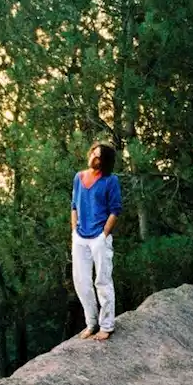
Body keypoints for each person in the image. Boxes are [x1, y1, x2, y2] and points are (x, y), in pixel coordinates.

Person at [70, 142, 123, 341]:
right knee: (81, 282)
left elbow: (115, 210)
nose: (93, 157)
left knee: (102, 281)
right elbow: (74, 205)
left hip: (99, 238)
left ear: (105, 161)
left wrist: (103, 234)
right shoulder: (79, 177)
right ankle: (91, 323)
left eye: (99, 156)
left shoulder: (111, 181)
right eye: (93, 152)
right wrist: (74, 231)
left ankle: (107, 325)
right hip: (80, 237)